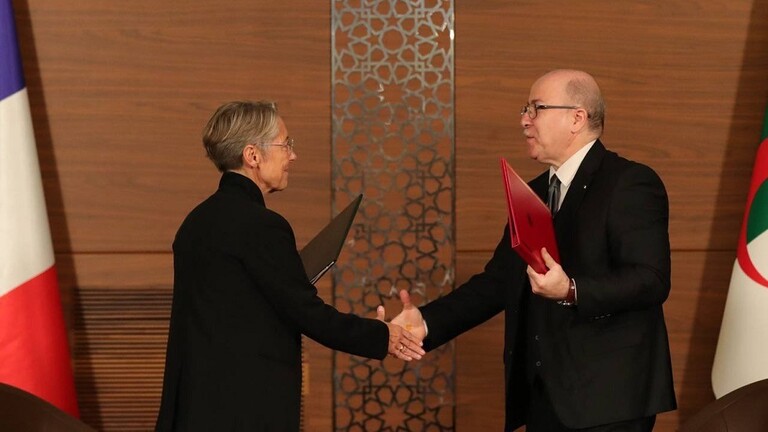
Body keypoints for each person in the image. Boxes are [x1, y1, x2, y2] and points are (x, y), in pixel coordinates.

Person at [390, 69, 676, 431]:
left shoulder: (629, 182)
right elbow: (497, 283)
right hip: (543, 397)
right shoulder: (535, 192)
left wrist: (571, 290)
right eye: (525, 110)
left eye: (536, 109)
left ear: (577, 118)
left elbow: (650, 280)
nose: (524, 120)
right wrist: (427, 322)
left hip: (609, 399)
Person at [155, 101, 424, 431]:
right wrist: (382, 336)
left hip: (194, 409)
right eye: (285, 145)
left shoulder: (195, 222)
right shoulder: (262, 226)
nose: (292, 156)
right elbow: (307, 313)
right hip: (244, 411)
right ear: (253, 155)